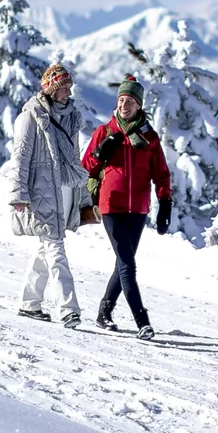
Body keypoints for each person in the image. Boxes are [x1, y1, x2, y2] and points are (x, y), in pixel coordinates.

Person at [81, 75, 173, 341]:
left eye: (129, 101)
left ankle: (103, 313)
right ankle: (142, 321)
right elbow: (86, 166)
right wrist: (100, 152)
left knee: (123, 263)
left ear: (138, 105)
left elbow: (162, 175)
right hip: (111, 205)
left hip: (139, 209)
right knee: (128, 266)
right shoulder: (105, 132)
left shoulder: (149, 137)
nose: (124, 105)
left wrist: (165, 203)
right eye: (121, 100)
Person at [6, 63, 96, 328]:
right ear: (50, 89)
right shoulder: (30, 117)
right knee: (56, 249)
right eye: (62, 87)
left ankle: (29, 303)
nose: (67, 92)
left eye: (69, 87)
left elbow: (75, 161)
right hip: (41, 193)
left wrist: (82, 197)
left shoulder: (71, 118)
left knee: (47, 249)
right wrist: (18, 195)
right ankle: (68, 309)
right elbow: (20, 158)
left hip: (65, 192)